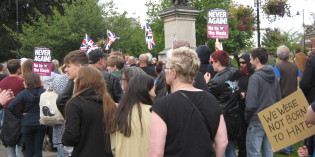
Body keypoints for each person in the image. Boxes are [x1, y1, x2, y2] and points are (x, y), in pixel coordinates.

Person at [149, 47, 228, 157]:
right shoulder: (211, 99)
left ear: (174, 72)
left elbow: (156, 153)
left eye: (166, 68)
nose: (165, 71)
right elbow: (222, 141)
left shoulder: (162, 105)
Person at [62, 66, 116, 157]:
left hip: (83, 152)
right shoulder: (109, 102)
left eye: (77, 77)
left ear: (83, 81)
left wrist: (64, 140)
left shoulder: (76, 103)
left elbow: (71, 136)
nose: (74, 81)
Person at [204, 50, 241, 157]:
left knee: (221, 147)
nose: (211, 64)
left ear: (218, 62)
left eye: (212, 61)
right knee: (230, 148)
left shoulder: (215, 82)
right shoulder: (235, 72)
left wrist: (206, 83)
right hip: (234, 115)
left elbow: (205, 98)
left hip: (222, 117)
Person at [245, 47, 281, 157]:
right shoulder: (274, 76)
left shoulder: (255, 78)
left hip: (257, 119)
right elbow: (278, 98)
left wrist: (247, 117)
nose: (249, 61)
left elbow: (251, 104)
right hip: (270, 118)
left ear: (256, 59)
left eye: (250, 58)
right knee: (268, 151)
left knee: (253, 153)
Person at [109, 73, 155, 157]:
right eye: (153, 90)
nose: (155, 94)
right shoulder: (154, 113)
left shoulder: (119, 113)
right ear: (145, 91)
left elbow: (113, 147)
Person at [8, 72, 46, 157]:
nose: (23, 82)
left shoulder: (24, 93)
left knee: (29, 150)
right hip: (40, 122)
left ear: (28, 82)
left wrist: (20, 115)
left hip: (27, 122)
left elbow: (11, 106)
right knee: (38, 150)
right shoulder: (44, 92)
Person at [0, 59, 25, 157]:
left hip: (7, 113)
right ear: (19, 69)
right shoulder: (22, 82)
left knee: (10, 141)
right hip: (20, 112)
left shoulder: (2, 82)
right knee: (20, 142)